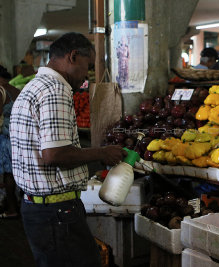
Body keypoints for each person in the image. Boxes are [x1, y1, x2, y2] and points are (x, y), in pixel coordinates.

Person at [10, 32, 127, 267]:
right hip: (56, 211)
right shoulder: (56, 89)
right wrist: (102, 152)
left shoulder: (34, 86)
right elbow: (55, 154)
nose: (86, 76)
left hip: (37, 208)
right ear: (73, 56)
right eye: (87, 66)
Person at [0, 65, 19, 219]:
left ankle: (12, 209)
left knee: (8, 175)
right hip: (19, 137)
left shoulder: (1, 91)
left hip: (6, 139)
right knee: (19, 172)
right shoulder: (15, 89)